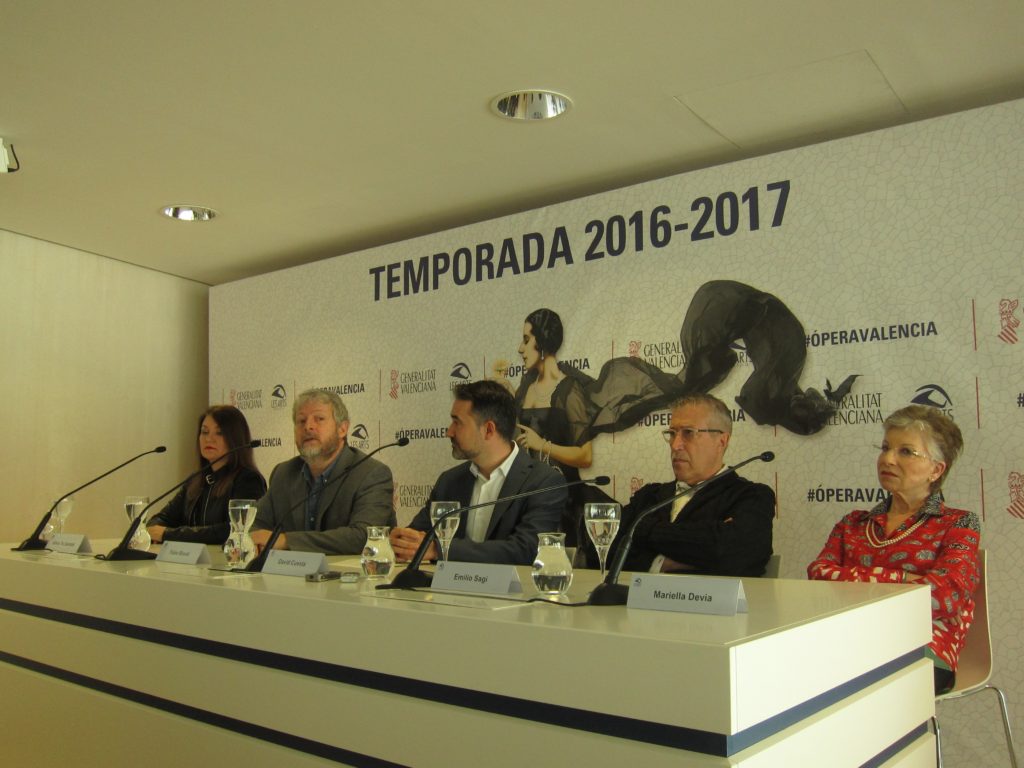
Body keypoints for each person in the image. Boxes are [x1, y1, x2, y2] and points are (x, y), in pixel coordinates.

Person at [808, 405, 980, 694]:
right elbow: (818, 577)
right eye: (886, 448)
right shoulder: (853, 523)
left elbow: (945, 595)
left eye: (906, 452)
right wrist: (904, 580)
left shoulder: (958, 523)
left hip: (922, 651)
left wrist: (856, 580)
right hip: (848, 642)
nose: (887, 459)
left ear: (936, 469)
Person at [390, 380, 567, 565]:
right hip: (448, 584)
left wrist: (439, 549)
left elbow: (526, 549)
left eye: (457, 422)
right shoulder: (449, 481)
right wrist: (399, 542)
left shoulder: (544, 482)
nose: (449, 432)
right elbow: (416, 538)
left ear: (488, 430)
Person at [608, 393, 775, 576]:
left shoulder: (751, 496)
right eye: (672, 434)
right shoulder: (649, 495)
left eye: (688, 433)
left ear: (721, 441)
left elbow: (733, 551)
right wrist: (660, 563)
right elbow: (603, 551)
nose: (675, 445)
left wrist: (641, 528)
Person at [251, 389, 395, 554]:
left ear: (342, 429)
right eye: (301, 421)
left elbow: (364, 536)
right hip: (290, 570)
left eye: (319, 419)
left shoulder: (371, 474)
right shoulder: (283, 473)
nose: (308, 427)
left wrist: (285, 541)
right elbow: (253, 525)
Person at [513, 308, 611, 546]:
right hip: (527, 500)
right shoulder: (525, 387)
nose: (520, 349)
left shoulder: (569, 389)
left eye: (526, 340)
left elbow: (585, 456)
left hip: (562, 504)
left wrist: (542, 445)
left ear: (542, 342)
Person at [148, 406, 267, 545]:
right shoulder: (195, 480)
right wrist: (153, 530)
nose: (209, 439)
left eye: (219, 433)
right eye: (204, 432)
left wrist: (168, 534)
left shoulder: (249, 480)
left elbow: (232, 530)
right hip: (190, 558)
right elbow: (162, 519)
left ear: (235, 438)